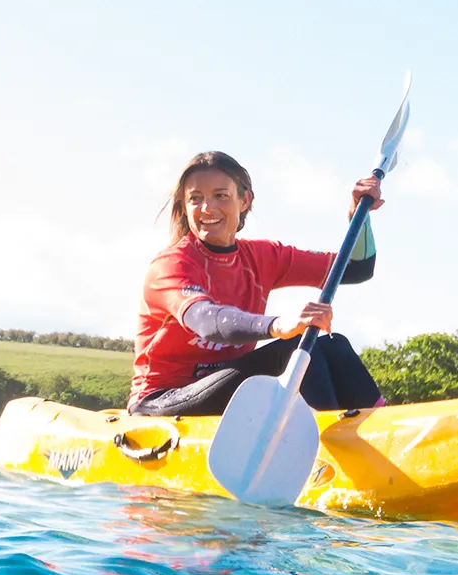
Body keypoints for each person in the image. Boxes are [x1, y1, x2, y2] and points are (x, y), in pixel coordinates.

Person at [129, 150, 384, 418]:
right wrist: (278, 325)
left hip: (223, 390)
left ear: (244, 200)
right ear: (185, 205)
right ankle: (332, 444)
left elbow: (356, 269)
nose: (207, 207)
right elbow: (207, 321)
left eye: (220, 195)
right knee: (293, 351)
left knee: (332, 346)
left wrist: (360, 215)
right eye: (195, 198)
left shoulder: (263, 257)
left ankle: (376, 431)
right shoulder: (171, 265)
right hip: (162, 401)